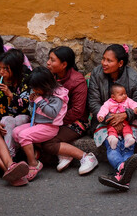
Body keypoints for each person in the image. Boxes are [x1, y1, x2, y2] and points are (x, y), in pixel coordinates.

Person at [90, 44, 137, 191]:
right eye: (103, 59)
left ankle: (120, 174)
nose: (103, 63)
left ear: (120, 63)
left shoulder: (134, 79)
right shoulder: (97, 74)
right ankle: (123, 168)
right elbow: (93, 103)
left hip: (129, 120)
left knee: (128, 144)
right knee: (111, 143)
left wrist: (126, 115)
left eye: (109, 60)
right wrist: (111, 119)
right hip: (105, 120)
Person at [42, 46, 98, 175]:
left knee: (47, 141)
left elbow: (78, 111)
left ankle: (86, 157)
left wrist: (55, 120)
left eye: (52, 60)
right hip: (55, 119)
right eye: (49, 59)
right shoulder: (52, 76)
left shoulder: (77, 81)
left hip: (76, 121)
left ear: (64, 64)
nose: (48, 63)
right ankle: (65, 154)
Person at [11, 67, 69, 185]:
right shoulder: (40, 93)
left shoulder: (57, 96)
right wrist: (33, 101)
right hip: (37, 124)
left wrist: (39, 101)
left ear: (45, 85)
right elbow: (33, 110)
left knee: (23, 135)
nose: (34, 90)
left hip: (49, 127)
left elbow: (52, 113)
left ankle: (33, 163)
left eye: (36, 88)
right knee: (16, 132)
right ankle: (35, 153)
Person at [0, 49, 31, 176]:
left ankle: (12, 157)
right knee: (7, 121)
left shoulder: (25, 81)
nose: (1, 72)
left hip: (23, 116)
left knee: (16, 119)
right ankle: (11, 157)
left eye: (5, 69)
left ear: (15, 69)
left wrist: (11, 95)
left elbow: (28, 104)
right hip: (6, 119)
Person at [98, 84, 137, 152]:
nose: (124, 96)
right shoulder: (108, 103)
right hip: (112, 123)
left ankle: (128, 138)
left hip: (125, 121)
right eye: (121, 94)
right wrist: (101, 116)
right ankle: (112, 139)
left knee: (127, 128)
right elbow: (103, 109)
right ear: (113, 97)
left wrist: (136, 108)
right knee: (111, 130)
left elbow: (134, 103)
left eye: (125, 93)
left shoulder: (127, 100)